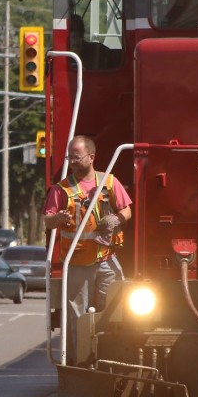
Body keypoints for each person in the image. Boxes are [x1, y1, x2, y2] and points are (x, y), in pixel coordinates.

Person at [42, 135, 132, 320]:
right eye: (70, 157)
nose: (72, 162)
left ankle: (105, 348)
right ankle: (78, 349)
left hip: (107, 259)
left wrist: (115, 220)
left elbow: (127, 210)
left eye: (76, 157)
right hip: (77, 263)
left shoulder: (109, 182)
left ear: (91, 157)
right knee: (77, 315)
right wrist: (57, 218)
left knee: (114, 311)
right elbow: (47, 220)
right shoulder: (61, 189)